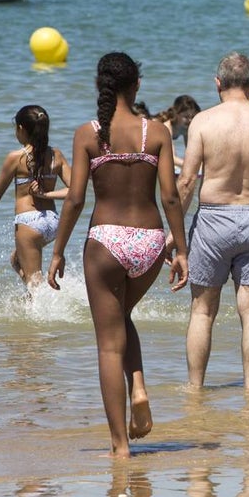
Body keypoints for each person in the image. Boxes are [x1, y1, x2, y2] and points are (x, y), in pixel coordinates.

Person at [48, 52, 189, 459]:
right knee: (123, 318)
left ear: (100, 87)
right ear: (137, 86)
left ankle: (120, 446)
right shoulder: (157, 131)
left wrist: (57, 251)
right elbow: (170, 196)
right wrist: (179, 249)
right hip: (148, 241)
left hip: (106, 242)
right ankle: (139, 386)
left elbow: (75, 199)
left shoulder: (87, 134)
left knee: (109, 344)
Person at [177, 52, 249, 390]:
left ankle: (196, 389)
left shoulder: (204, 122)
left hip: (212, 221)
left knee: (202, 311)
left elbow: (187, 181)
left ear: (218, 83)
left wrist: (175, 230)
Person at [0, 105, 72, 291]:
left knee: (34, 282)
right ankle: (36, 302)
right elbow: (75, 189)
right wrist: (47, 195)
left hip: (29, 222)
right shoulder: (55, 155)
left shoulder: (15, 158)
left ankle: (41, 307)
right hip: (52, 223)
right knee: (15, 260)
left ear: (21, 129)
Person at [155, 94, 201, 169]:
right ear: (176, 114)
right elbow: (172, 158)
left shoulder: (186, 128)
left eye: (192, 117)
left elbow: (189, 153)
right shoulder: (167, 127)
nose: (190, 120)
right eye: (186, 117)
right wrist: (190, 167)